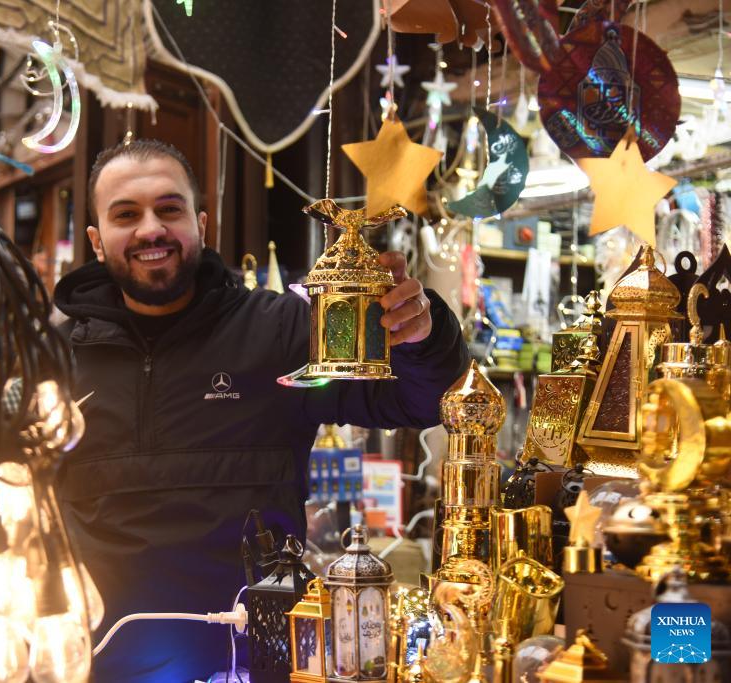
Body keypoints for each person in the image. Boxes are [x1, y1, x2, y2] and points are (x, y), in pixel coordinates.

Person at [48, 139, 470, 682]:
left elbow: (417, 401)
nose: (150, 229)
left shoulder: (280, 331)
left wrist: (422, 334)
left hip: (253, 664)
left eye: (169, 209)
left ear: (202, 223)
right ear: (96, 240)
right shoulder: (55, 358)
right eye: (126, 214)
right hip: (93, 665)